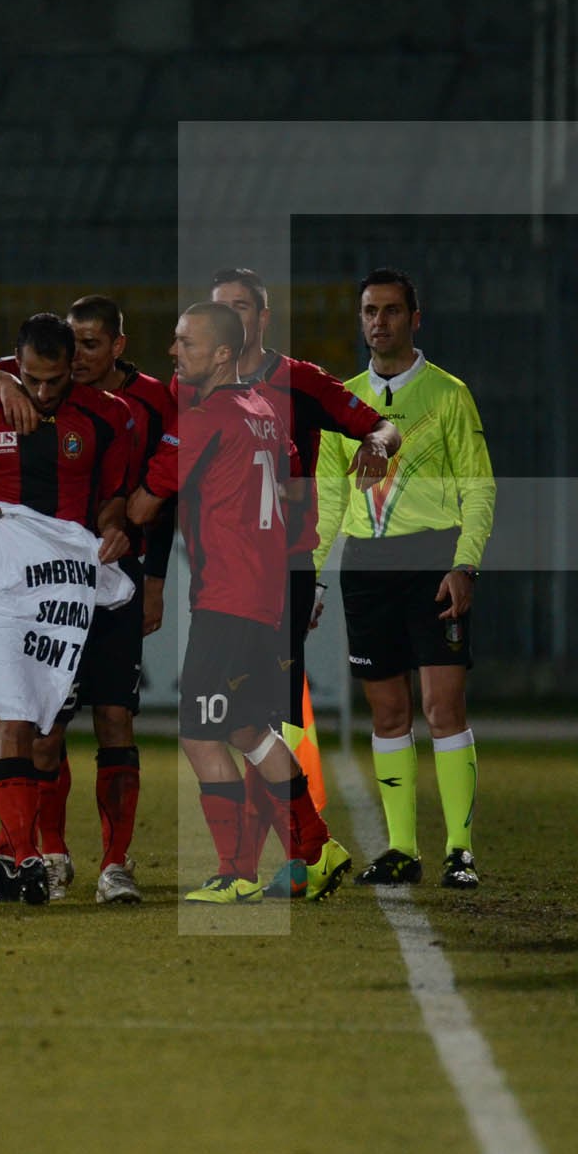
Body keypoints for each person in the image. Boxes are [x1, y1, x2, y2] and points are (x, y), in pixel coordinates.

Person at [0, 295, 171, 904]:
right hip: (33, 584)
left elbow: (146, 491)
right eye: (72, 346)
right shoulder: (9, 383)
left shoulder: (138, 406)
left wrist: (147, 565)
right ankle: (47, 852)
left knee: (115, 717)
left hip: (107, 572)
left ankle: (116, 864)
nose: (75, 362)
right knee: (41, 729)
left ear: (114, 345)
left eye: (90, 347)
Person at [128, 302, 355, 904]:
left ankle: (236, 872)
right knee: (249, 727)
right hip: (269, 594)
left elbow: (144, 506)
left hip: (226, 599)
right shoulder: (265, 413)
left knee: (199, 732)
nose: (175, 353)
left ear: (223, 353)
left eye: (187, 343)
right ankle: (316, 845)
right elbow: (294, 490)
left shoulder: (205, 420)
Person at [205, 268, 399, 873]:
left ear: (263, 318)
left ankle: (288, 854)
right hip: (221, 573)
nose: (230, 319)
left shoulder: (301, 381)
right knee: (234, 715)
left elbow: (382, 425)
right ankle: (294, 850)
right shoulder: (198, 385)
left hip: (279, 572)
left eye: (242, 307)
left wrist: (376, 446)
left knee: (257, 716)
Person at [313, 271, 496, 890]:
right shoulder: (343, 400)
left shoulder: (448, 394)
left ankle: (460, 850)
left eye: (392, 310)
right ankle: (400, 849)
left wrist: (465, 562)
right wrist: (313, 578)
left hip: (432, 561)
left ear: (415, 318)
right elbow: (329, 499)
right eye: (370, 310)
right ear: (360, 318)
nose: (379, 321)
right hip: (367, 566)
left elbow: (478, 487)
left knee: (444, 707)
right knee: (388, 713)